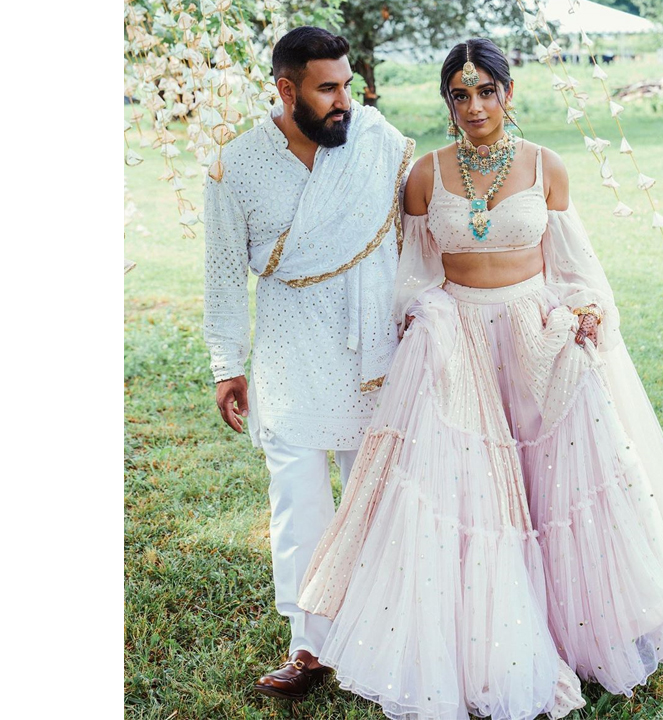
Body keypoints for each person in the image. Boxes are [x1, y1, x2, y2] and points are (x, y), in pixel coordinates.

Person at [298, 39, 663, 719]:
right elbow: (411, 269)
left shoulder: (545, 166)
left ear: (509, 93)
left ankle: (579, 627)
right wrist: (421, 313)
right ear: (447, 101)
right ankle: (487, 634)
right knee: (468, 489)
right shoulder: (425, 174)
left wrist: (583, 312)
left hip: (535, 332)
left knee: (559, 478)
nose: (475, 106)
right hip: (458, 340)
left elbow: (574, 263)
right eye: (460, 95)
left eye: (486, 91)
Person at [202, 26, 414, 700]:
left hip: (373, 346)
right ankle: (309, 644)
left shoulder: (377, 143)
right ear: (286, 91)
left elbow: (419, 233)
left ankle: (384, 633)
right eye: (328, 89)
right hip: (290, 353)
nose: (345, 101)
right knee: (298, 504)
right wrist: (226, 364)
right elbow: (221, 274)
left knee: (376, 494)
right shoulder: (238, 165)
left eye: (347, 85)